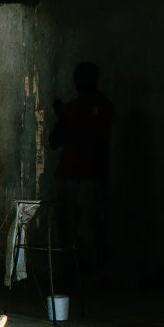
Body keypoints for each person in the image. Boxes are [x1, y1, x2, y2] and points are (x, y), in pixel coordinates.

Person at [49, 61, 114, 279]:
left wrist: (66, 119)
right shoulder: (72, 107)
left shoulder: (102, 107)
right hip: (70, 174)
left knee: (89, 228)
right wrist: (63, 118)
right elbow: (54, 140)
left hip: (90, 176)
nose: (78, 82)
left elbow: (94, 137)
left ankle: (91, 273)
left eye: (82, 77)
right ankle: (70, 270)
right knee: (66, 227)